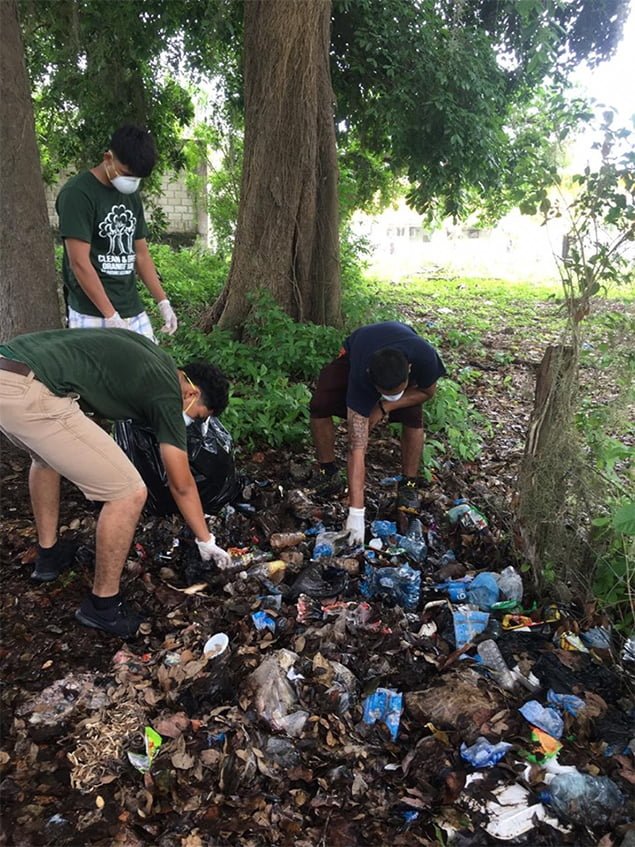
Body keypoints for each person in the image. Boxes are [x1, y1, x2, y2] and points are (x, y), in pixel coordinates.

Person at [0, 328, 231, 638]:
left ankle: (49, 556)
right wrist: (206, 539)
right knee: (128, 492)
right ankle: (103, 605)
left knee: (45, 457)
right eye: (200, 416)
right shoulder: (167, 394)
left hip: (9, 369)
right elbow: (181, 484)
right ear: (191, 393)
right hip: (32, 393)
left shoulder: (154, 357)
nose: (194, 422)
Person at [309, 321, 446, 544]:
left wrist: (385, 406)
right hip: (358, 346)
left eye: (397, 391)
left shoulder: (424, 356)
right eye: (384, 394)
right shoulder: (361, 377)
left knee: (413, 415)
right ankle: (328, 473)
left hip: (401, 347)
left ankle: (409, 484)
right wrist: (356, 514)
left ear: (410, 370)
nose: (391, 395)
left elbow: (427, 392)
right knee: (320, 403)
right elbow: (357, 448)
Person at [56, 124, 177, 340]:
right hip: (91, 312)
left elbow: (141, 254)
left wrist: (163, 302)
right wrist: (111, 316)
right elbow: (79, 263)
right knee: (99, 374)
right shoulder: (78, 194)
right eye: (127, 174)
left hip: (131, 308)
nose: (131, 182)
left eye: (137, 178)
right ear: (108, 158)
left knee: (150, 371)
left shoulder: (131, 195)